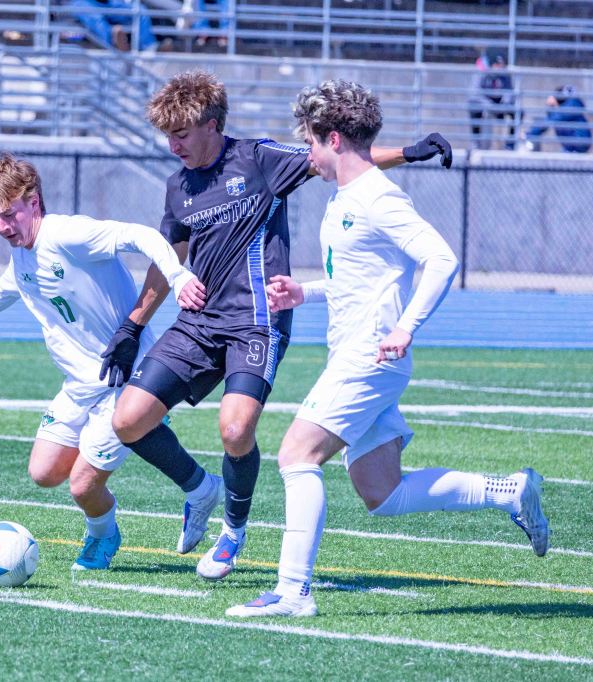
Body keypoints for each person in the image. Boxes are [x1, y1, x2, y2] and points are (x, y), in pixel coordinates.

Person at [105, 69, 453, 582]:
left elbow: (337, 160)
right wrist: (133, 325)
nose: (173, 144)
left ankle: (233, 532)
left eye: (181, 132)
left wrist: (407, 152)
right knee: (127, 420)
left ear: (212, 124)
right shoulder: (177, 185)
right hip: (198, 323)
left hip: (257, 321)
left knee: (236, 428)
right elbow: (168, 255)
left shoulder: (257, 158)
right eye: (167, 135)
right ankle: (200, 490)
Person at [227, 80, 549, 618]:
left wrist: (406, 327)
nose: (307, 154)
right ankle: (508, 490)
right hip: (360, 354)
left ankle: (291, 592)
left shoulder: (378, 195)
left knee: (295, 455)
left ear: (332, 139)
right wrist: (307, 291)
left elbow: (441, 259)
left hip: (371, 354)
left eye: (309, 142)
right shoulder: (346, 197)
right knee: (382, 492)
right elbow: (365, 277)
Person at [0, 153, 206, 571]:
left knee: (81, 484)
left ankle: (103, 536)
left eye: (9, 214)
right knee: (44, 471)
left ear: (33, 200)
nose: (3, 227)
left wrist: (177, 277)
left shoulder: (68, 233)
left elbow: (141, 236)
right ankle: (145, 459)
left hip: (124, 377)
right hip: (79, 385)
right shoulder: (23, 255)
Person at [468, 52, 517, 150]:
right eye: (497, 64)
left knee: (517, 113)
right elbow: (475, 93)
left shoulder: (504, 73)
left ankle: (510, 145)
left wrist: (504, 104)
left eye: (501, 65)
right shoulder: (481, 72)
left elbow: (509, 91)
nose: (499, 67)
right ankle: (476, 144)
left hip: (500, 102)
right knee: (473, 109)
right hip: (484, 101)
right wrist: (489, 105)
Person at [67, 0, 158, 52]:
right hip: (86, 2)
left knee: (140, 11)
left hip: (107, 2)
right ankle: (113, 42)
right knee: (95, 18)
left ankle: (148, 48)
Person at [525, 85, 592, 153]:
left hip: (577, 146)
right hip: (571, 147)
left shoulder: (571, 107)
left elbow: (551, 120)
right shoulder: (566, 108)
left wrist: (530, 134)